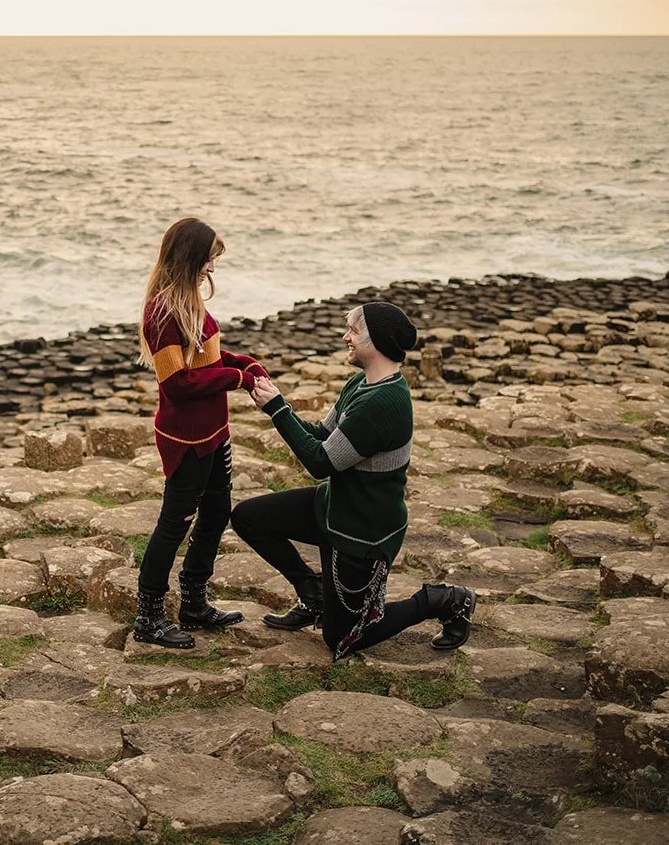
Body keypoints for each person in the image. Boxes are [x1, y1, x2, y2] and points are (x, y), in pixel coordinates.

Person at [229, 301, 476, 660]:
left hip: (363, 531)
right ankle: (313, 593)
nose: (345, 337)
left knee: (344, 638)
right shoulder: (361, 383)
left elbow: (320, 461)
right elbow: (322, 435)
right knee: (249, 517)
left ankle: (445, 600)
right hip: (334, 507)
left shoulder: (383, 404)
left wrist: (278, 409)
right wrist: (280, 405)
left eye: (353, 331)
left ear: (375, 340)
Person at [133, 217, 267, 648]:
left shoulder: (189, 300)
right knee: (175, 524)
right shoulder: (161, 312)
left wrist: (243, 363)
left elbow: (206, 356)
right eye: (209, 259)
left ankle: (193, 601)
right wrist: (237, 380)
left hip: (215, 431)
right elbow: (177, 384)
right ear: (191, 257)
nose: (212, 267)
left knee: (216, 514)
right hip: (185, 438)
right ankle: (149, 617)